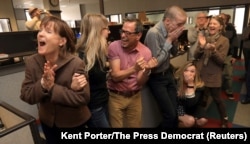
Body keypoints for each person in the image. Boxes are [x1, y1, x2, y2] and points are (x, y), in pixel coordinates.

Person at [20, 16, 91, 144]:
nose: (40, 34)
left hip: (74, 124)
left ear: (61, 41)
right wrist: (42, 84)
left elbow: (83, 98)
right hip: (48, 124)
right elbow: (26, 95)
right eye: (40, 30)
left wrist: (52, 87)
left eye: (48, 31)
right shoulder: (32, 62)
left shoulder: (76, 63)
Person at [107, 17, 158, 128]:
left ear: (138, 36)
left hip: (135, 97)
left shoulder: (146, 52)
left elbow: (140, 82)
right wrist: (134, 69)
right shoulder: (114, 46)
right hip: (116, 97)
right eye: (122, 31)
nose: (123, 36)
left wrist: (147, 70)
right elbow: (115, 76)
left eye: (128, 33)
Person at [144, 5, 187, 128]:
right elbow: (156, 63)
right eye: (179, 24)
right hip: (157, 78)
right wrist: (168, 41)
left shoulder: (170, 32)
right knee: (170, 114)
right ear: (167, 21)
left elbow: (174, 53)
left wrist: (175, 39)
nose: (181, 28)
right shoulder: (154, 33)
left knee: (176, 111)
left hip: (168, 73)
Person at [75, 13, 111, 127]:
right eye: (106, 28)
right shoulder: (83, 56)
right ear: (97, 30)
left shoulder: (97, 52)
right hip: (95, 106)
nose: (109, 32)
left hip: (103, 100)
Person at [194, 15, 229, 128]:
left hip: (214, 75)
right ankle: (198, 118)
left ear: (221, 27)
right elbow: (196, 55)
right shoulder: (204, 37)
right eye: (210, 24)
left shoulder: (224, 41)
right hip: (201, 73)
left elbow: (221, 61)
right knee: (199, 98)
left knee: (217, 99)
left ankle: (224, 119)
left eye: (215, 24)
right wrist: (202, 46)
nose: (212, 26)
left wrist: (213, 50)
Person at [176, 61, 207, 128]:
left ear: (195, 74)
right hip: (180, 107)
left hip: (194, 106)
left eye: (192, 71)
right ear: (182, 71)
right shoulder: (177, 82)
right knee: (190, 121)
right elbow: (177, 103)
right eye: (186, 70)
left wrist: (190, 85)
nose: (188, 74)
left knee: (202, 120)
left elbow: (192, 103)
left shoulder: (199, 85)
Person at [220, 13, 238, 100]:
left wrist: (234, 56)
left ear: (226, 20)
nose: (220, 19)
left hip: (228, 55)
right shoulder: (215, 27)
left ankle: (229, 91)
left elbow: (235, 42)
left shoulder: (231, 29)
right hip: (217, 54)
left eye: (222, 18)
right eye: (219, 17)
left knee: (228, 74)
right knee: (217, 73)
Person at [241, 19, 250, 104]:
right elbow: (243, 37)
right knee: (247, 65)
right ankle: (246, 75)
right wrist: (248, 35)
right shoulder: (247, 28)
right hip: (246, 48)